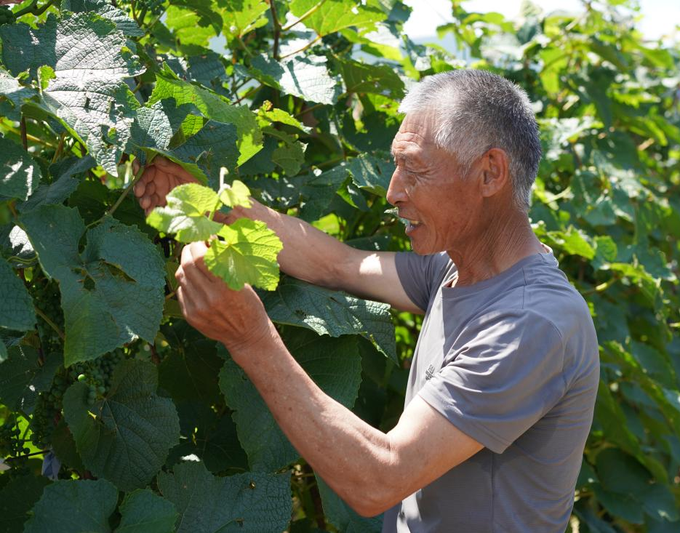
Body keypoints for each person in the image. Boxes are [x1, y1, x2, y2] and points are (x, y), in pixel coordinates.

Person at [135, 69, 599, 533]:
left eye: (414, 169)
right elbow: (340, 265)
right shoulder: (457, 268)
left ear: (489, 172)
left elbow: (378, 479)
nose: (394, 192)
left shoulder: (530, 323)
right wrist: (207, 205)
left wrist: (249, 338)